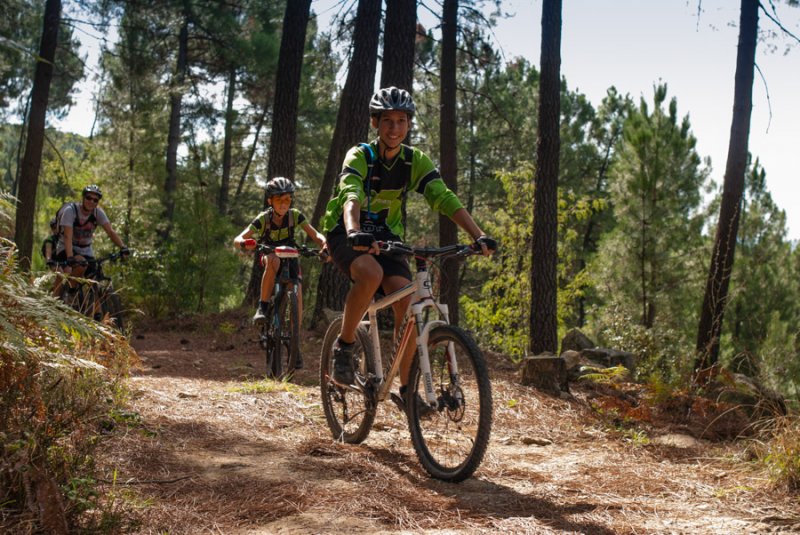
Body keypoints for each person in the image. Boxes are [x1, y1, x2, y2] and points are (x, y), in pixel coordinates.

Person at [320, 86, 497, 410]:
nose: (394, 128)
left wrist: (478, 234)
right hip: (346, 231)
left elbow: (443, 197)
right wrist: (354, 230)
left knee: (408, 299)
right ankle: (344, 347)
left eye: (401, 121)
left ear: (409, 124)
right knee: (370, 274)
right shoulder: (361, 155)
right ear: (375, 123)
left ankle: (405, 390)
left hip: (388, 236)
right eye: (387, 121)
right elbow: (351, 195)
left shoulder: (413, 160)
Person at [234, 177, 327, 367]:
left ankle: (294, 343)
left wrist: (324, 244)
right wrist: (245, 243)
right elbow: (239, 238)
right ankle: (263, 307)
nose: (284, 204)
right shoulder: (264, 218)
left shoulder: (295, 216)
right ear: (270, 201)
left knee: (298, 294)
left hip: (290, 255)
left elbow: (314, 234)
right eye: (279, 200)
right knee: (274, 261)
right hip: (270, 254)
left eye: (287, 199)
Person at [53, 185, 129, 296]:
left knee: (93, 281)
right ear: (83, 198)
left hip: (85, 250)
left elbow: (111, 232)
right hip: (66, 248)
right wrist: (70, 257)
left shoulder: (98, 213)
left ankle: (97, 312)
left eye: (95, 200)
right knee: (81, 265)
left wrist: (123, 247)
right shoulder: (71, 211)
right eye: (88, 198)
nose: (91, 201)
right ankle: (70, 294)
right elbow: (67, 237)